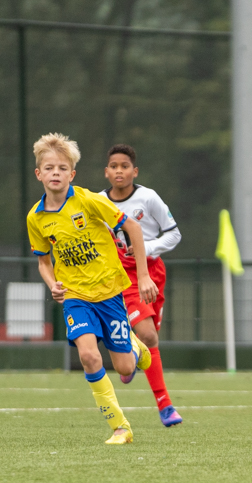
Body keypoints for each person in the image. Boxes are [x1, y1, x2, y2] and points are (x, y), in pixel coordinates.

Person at [26, 133, 154, 445]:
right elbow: (43, 261)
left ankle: (135, 348)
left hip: (109, 292)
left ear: (72, 174)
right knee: (89, 357)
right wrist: (53, 284)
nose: (56, 173)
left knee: (124, 366)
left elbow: (133, 227)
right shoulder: (36, 218)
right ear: (39, 173)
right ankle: (120, 427)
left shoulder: (89, 201)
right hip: (75, 297)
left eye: (62, 168)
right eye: (49, 168)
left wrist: (143, 276)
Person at [102, 144, 183, 427]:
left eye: (124, 166)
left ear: (134, 171)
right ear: (106, 172)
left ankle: (131, 355)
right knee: (148, 336)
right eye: (114, 166)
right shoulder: (98, 202)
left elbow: (174, 234)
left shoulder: (148, 198)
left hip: (152, 272)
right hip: (122, 277)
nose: (119, 171)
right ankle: (165, 405)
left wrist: (144, 248)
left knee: (151, 338)